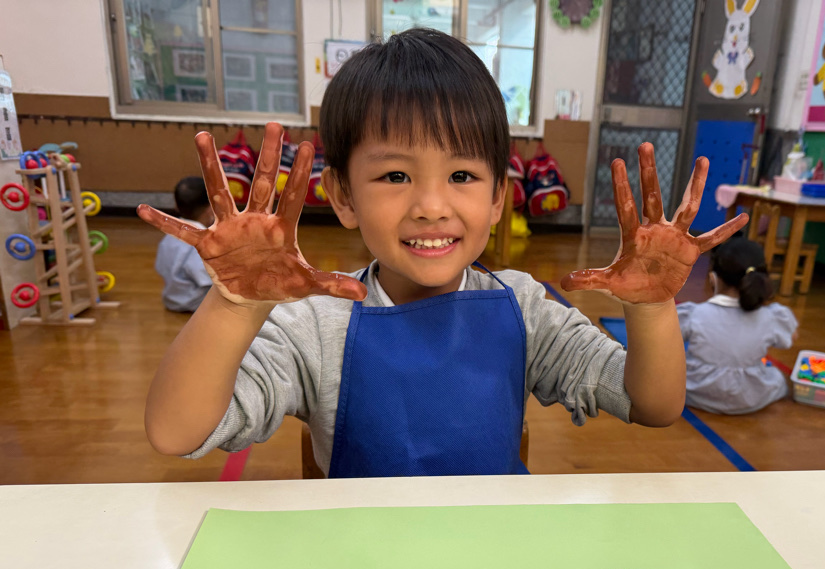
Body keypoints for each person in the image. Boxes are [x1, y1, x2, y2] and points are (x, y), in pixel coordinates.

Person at [136, 28, 747, 478]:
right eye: (395, 176)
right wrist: (234, 305)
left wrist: (652, 307)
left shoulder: (525, 309)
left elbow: (655, 406)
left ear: (498, 197)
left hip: (490, 567)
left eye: (461, 176)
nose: (431, 205)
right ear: (342, 196)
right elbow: (174, 432)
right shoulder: (314, 327)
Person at [674, 237, 797, 415]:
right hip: (751, 397)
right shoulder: (772, 317)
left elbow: (662, 342)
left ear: (713, 278)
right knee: (777, 377)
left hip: (696, 392)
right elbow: (789, 339)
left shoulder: (695, 314)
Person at [154, 177, 214, 312]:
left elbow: (160, 267)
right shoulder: (201, 242)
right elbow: (207, 278)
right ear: (210, 209)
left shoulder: (168, 237)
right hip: (197, 302)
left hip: (172, 299)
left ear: (176, 206)